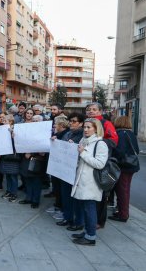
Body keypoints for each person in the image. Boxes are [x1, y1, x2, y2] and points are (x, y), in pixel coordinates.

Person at [71, 118, 108, 246]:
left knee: (89, 209)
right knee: (84, 208)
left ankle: (91, 237)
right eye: (85, 127)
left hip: (91, 182)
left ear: (96, 129)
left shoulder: (100, 144)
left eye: (89, 127)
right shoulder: (83, 141)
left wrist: (83, 153)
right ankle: (87, 231)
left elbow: (100, 164)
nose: (85, 130)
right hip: (81, 180)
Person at [85, 102, 118, 229]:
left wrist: (97, 142)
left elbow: (114, 141)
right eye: (89, 109)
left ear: (100, 111)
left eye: (94, 109)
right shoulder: (86, 122)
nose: (91, 111)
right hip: (86, 161)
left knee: (100, 194)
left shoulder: (106, 123)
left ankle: (99, 221)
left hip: (100, 163)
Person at [109, 116, 140, 222]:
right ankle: (122, 212)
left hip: (123, 166)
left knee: (122, 191)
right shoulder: (131, 133)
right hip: (131, 165)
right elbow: (136, 150)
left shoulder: (120, 134)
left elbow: (120, 151)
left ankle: (123, 215)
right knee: (125, 190)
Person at [60, 112, 85, 231]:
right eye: (70, 121)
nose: (71, 123)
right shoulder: (68, 133)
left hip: (76, 170)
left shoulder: (82, 136)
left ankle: (77, 221)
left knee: (75, 197)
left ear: (81, 123)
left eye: (74, 121)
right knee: (65, 195)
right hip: (65, 168)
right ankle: (67, 217)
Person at [18, 114, 47, 208]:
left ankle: (35, 200)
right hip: (26, 159)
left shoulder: (44, 132)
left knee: (36, 181)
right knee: (27, 179)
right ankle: (28, 198)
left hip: (37, 160)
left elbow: (43, 149)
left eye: (36, 120)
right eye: (33, 120)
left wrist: (32, 153)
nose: (34, 122)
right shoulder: (27, 131)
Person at [0, 114, 21, 202]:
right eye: (3, 121)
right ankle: (8, 191)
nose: (3, 122)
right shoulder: (3, 130)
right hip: (6, 156)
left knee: (13, 176)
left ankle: (14, 193)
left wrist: (13, 135)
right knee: (7, 175)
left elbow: (19, 143)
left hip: (13, 158)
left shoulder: (15, 130)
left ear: (11, 122)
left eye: (5, 121)